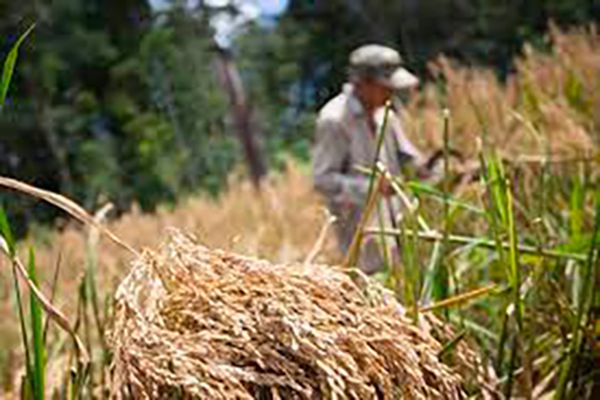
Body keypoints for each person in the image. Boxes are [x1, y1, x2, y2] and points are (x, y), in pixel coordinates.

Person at [312, 44, 425, 274]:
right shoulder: (335, 120)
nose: (391, 94)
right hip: (360, 232)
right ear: (363, 83)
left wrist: (433, 167)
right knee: (372, 287)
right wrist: (372, 188)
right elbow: (323, 180)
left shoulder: (385, 115)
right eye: (385, 87)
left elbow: (407, 157)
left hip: (396, 224)